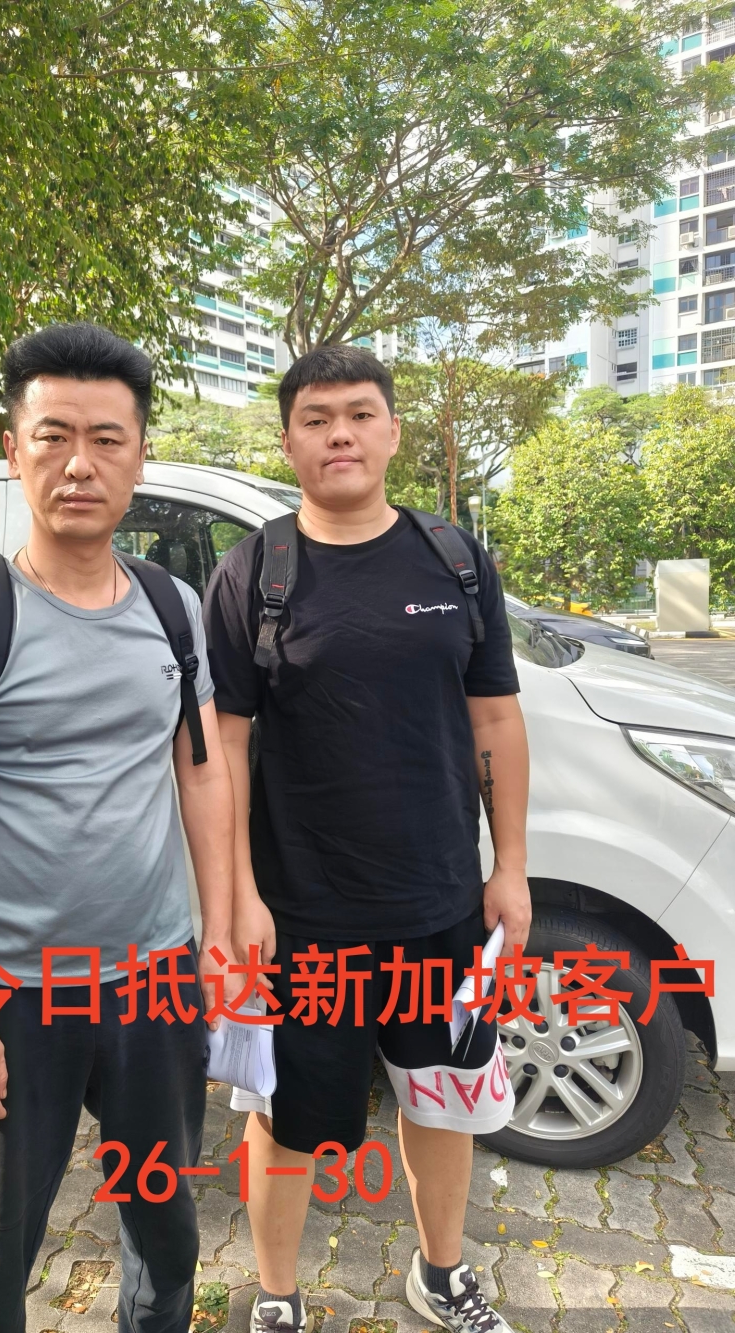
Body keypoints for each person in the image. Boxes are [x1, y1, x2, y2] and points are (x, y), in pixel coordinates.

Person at [0, 322, 237, 1333]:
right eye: (53, 436)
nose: (79, 463)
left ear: (140, 457)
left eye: (106, 439)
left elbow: (203, 776)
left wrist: (218, 935)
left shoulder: (173, 608)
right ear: (15, 451)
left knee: (166, 1235)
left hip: (154, 983)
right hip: (11, 993)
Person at [203, 344, 530, 1333]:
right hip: (301, 915)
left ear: (391, 430)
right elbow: (222, 745)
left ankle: (441, 1273)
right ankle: (276, 1293)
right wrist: (238, 896)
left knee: (443, 1100)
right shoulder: (254, 572)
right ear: (288, 441)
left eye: (357, 414)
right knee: (286, 1119)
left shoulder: (454, 559)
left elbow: (495, 719)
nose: (338, 434)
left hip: (441, 902)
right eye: (315, 418)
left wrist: (511, 867)